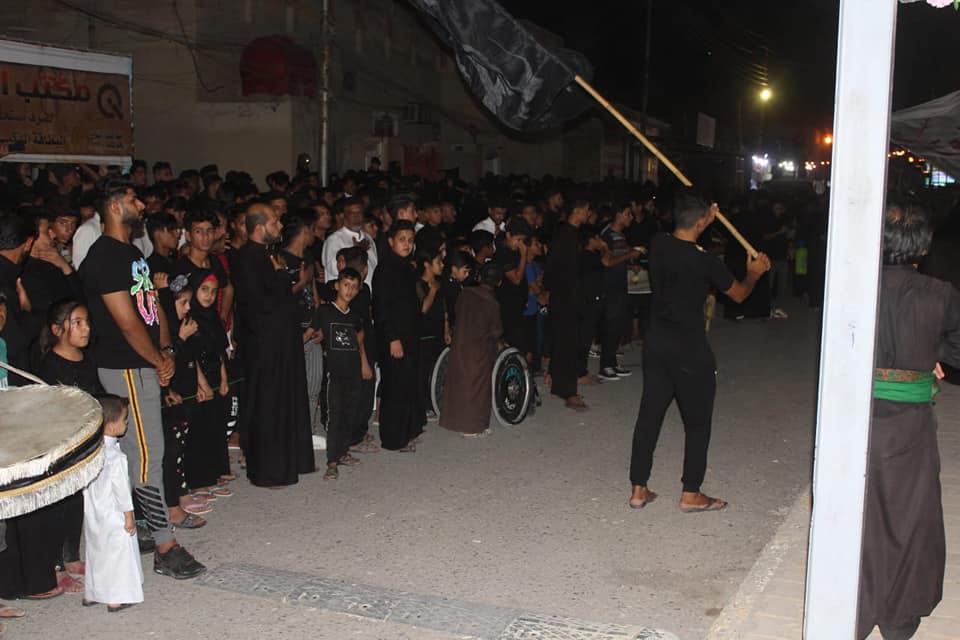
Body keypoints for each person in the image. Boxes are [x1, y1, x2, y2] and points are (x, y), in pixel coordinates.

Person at [79, 179, 205, 578]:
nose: (141, 204)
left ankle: (148, 527)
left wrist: (166, 351)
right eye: (134, 199)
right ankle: (166, 546)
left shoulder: (132, 252)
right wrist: (156, 359)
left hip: (144, 363)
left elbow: (152, 307)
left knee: (145, 451)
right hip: (125, 366)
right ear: (115, 207)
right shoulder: (103, 256)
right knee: (148, 454)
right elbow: (126, 322)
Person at [857, 205, 960, 640]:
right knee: (909, 515)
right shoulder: (939, 293)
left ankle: (856, 607)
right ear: (922, 246)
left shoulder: (857, 286)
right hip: (910, 425)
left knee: (862, 514)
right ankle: (899, 616)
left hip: (858, 419)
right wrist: (933, 354)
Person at [628, 198, 770, 512]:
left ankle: (638, 488)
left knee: (649, 417)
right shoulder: (705, 261)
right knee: (697, 423)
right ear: (702, 223)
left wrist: (708, 216)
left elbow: (688, 226)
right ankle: (691, 493)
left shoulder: (659, 243)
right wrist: (754, 273)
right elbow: (739, 294)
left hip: (656, 344)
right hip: (689, 350)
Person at [231, 202, 315, 487]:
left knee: (284, 402)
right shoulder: (246, 258)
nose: (280, 226)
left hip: (281, 341)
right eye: (275, 222)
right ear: (259, 227)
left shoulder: (268, 254)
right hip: (264, 346)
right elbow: (262, 304)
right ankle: (268, 470)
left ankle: (290, 461)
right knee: (268, 406)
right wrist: (283, 278)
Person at [82, 394, 144, 612]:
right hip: (113, 511)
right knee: (118, 552)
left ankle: (92, 592)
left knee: (96, 550)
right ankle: (116, 597)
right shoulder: (115, 457)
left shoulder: (89, 453)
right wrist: (129, 515)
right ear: (110, 425)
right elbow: (122, 490)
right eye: (124, 420)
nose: (126, 424)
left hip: (93, 510)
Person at [311, 268, 373, 479]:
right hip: (334, 375)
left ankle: (344, 452)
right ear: (337, 285)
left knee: (349, 414)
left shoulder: (355, 317)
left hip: (353, 372)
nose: (349, 290)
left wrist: (365, 365)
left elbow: (359, 343)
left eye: (354, 287)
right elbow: (310, 333)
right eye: (346, 285)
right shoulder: (325, 311)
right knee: (335, 416)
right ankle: (332, 461)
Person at [372, 220, 422, 451]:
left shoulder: (406, 267)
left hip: (408, 336)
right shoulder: (385, 269)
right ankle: (393, 439)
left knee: (407, 385)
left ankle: (406, 433)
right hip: (393, 338)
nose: (407, 244)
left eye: (410, 240)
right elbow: (381, 308)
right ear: (391, 241)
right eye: (402, 239)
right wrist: (392, 338)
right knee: (395, 388)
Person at [182, 269, 232, 498]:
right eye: (204, 289)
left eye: (213, 291)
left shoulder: (212, 317)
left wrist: (223, 379)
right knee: (199, 430)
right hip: (197, 378)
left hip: (215, 375)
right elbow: (190, 355)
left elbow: (220, 350)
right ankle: (198, 481)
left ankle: (213, 474)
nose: (209, 296)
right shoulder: (189, 318)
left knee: (215, 425)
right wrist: (201, 383)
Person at [439, 262, 503, 436]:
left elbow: (457, 313)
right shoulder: (492, 302)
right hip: (480, 349)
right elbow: (496, 330)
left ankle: (453, 420)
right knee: (477, 388)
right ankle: (472, 426)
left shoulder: (465, 294)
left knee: (458, 384)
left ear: (479, 277)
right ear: (499, 282)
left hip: (460, 343)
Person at [544, 196, 590, 410]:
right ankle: (568, 392)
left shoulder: (569, 233)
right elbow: (555, 266)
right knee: (568, 344)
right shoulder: (566, 234)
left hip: (567, 295)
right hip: (565, 297)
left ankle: (557, 383)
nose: (588, 214)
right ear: (578, 211)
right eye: (586, 210)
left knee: (564, 342)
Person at [280, 215, 323, 437]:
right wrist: (302, 282)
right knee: (289, 386)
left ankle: (309, 432)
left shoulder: (307, 257)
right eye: (312, 229)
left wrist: (319, 323)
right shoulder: (280, 259)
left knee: (314, 384)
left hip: (311, 326)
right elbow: (277, 298)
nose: (315, 234)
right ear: (304, 230)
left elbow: (314, 296)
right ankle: (290, 433)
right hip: (290, 328)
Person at [598, 202, 643, 380]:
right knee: (611, 325)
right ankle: (605, 365)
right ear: (618, 215)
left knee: (617, 325)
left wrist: (632, 264)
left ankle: (612, 362)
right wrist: (629, 256)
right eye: (628, 214)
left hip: (620, 284)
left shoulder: (620, 235)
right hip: (610, 286)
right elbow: (606, 262)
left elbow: (619, 259)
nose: (631, 217)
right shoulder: (607, 235)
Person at [414, 246, 446, 420]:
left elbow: (443, 309)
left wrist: (447, 328)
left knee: (436, 369)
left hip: (438, 332)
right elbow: (423, 309)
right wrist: (432, 290)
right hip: (424, 334)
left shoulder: (440, 282)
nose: (442, 265)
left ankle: (434, 403)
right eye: (438, 262)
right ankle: (423, 406)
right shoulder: (418, 283)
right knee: (423, 371)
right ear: (427, 264)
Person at [322, 196, 377, 289]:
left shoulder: (368, 238)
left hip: (367, 294)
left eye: (359, 212)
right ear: (344, 216)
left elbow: (374, 268)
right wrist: (357, 251)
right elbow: (334, 269)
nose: (356, 216)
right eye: (352, 213)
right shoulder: (334, 240)